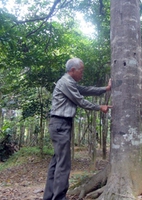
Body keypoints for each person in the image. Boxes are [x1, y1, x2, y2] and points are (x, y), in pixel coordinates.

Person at [43, 58, 112, 200]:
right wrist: (100, 107)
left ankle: (49, 196)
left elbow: (84, 90)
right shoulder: (66, 82)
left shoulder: (69, 82)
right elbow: (80, 100)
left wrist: (105, 89)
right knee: (63, 164)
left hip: (60, 124)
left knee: (57, 162)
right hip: (60, 124)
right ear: (73, 70)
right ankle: (59, 198)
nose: (82, 74)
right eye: (81, 70)